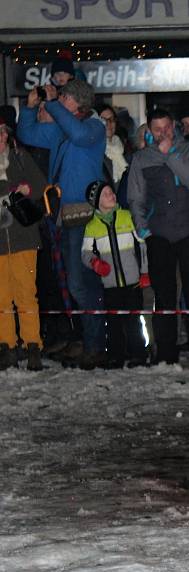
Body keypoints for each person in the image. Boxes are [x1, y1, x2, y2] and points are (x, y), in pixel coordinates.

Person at [16, 79, 107, 369]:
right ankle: (87, 341)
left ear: (76, 102)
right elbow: (26, 133)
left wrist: (52, 104)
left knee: (81, 285)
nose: (56, 100)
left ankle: (96, 344)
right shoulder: (61, 130)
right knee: (73, 283)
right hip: (63, 214)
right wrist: (30, 108)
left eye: (63, 96)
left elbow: (78, 135)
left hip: (84, 214)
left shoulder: (94, 127)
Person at [127, 108, 189, 369]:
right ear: (149, 131)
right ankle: (166, 355)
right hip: (159, 234)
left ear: (173, 126)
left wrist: (170, 155)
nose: (162, 133)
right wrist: (143, 229)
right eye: (157, 129)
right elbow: (135, 197)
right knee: (163, 298)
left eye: (166, 127)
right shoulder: (141, 158)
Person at [82, 181, 149, 369]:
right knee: (113, 322)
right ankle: (115, 356)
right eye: (106, 194)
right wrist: (95, 263)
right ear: (96, 202)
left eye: (112, 192)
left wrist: (144, 271)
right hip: (110, 284)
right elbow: (85, 253)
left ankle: (139, 354)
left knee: (134, 319)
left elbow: (143, 245)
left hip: (133, 281)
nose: (112, 195)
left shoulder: (127, 217)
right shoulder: (91, 227)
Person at [0, 118, 47, 370]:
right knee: (1, 298)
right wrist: (10, 188)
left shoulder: (20, 157)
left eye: (0, 134)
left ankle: (32, 347)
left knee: (27, 295)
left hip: (24, 238)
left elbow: (41, 186)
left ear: (6, 135)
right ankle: (6, 346)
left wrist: (27, 189)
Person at [97, 104, 128, 189]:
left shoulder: (125, 146)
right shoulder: (95, 151)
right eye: (103, 120)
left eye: (111, 119)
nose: (109, 123)